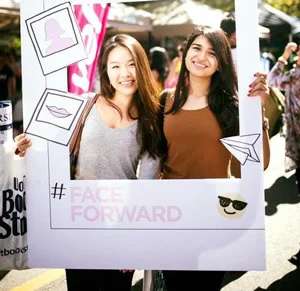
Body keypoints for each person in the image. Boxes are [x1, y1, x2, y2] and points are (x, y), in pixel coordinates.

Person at [15, 34, 163, 291]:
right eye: (115, 66)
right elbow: (46, 145)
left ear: (141, 66)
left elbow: (146, 186)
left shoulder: (151, 120)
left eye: (130, 64)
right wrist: (26, 146)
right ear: (105, 71)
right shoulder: (85, 104)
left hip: (120, 225)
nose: (124, 73)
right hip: (78, 221)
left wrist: (134, 242)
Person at [159, 27, 270, 291]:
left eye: (212, 52)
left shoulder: (233, 107)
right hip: (172, 215)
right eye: (196, 48)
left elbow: (257, 164)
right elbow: (156, 158)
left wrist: (258, 114)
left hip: (215, 216)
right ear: (185, 53)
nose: (201, 57)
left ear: (221, 62)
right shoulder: (165, 101)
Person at [268, 42, 300, 269]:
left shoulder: (294, 75)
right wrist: (286, 55)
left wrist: (286, 55)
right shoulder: (293, 75)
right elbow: (272, 82)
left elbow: (272, 81)